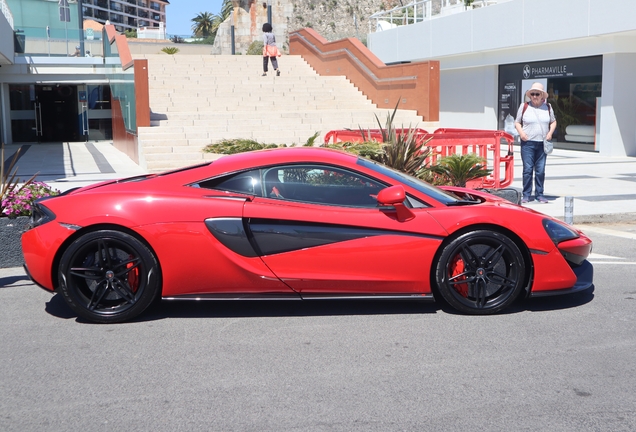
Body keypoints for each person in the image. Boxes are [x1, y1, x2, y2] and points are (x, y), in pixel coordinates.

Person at [515, 82, 557, 204]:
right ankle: (526, 195)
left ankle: (540, 194)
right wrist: (521, 133)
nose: (534, 96)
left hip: (542, 143)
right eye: (532, 94)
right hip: (528, 144)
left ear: (542, 95)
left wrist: (550, 133)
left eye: (537, 94)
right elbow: (517, 122)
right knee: (527, 170)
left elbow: (553, 122)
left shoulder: (548, 107)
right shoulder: (524, 106)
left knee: (540, 170)